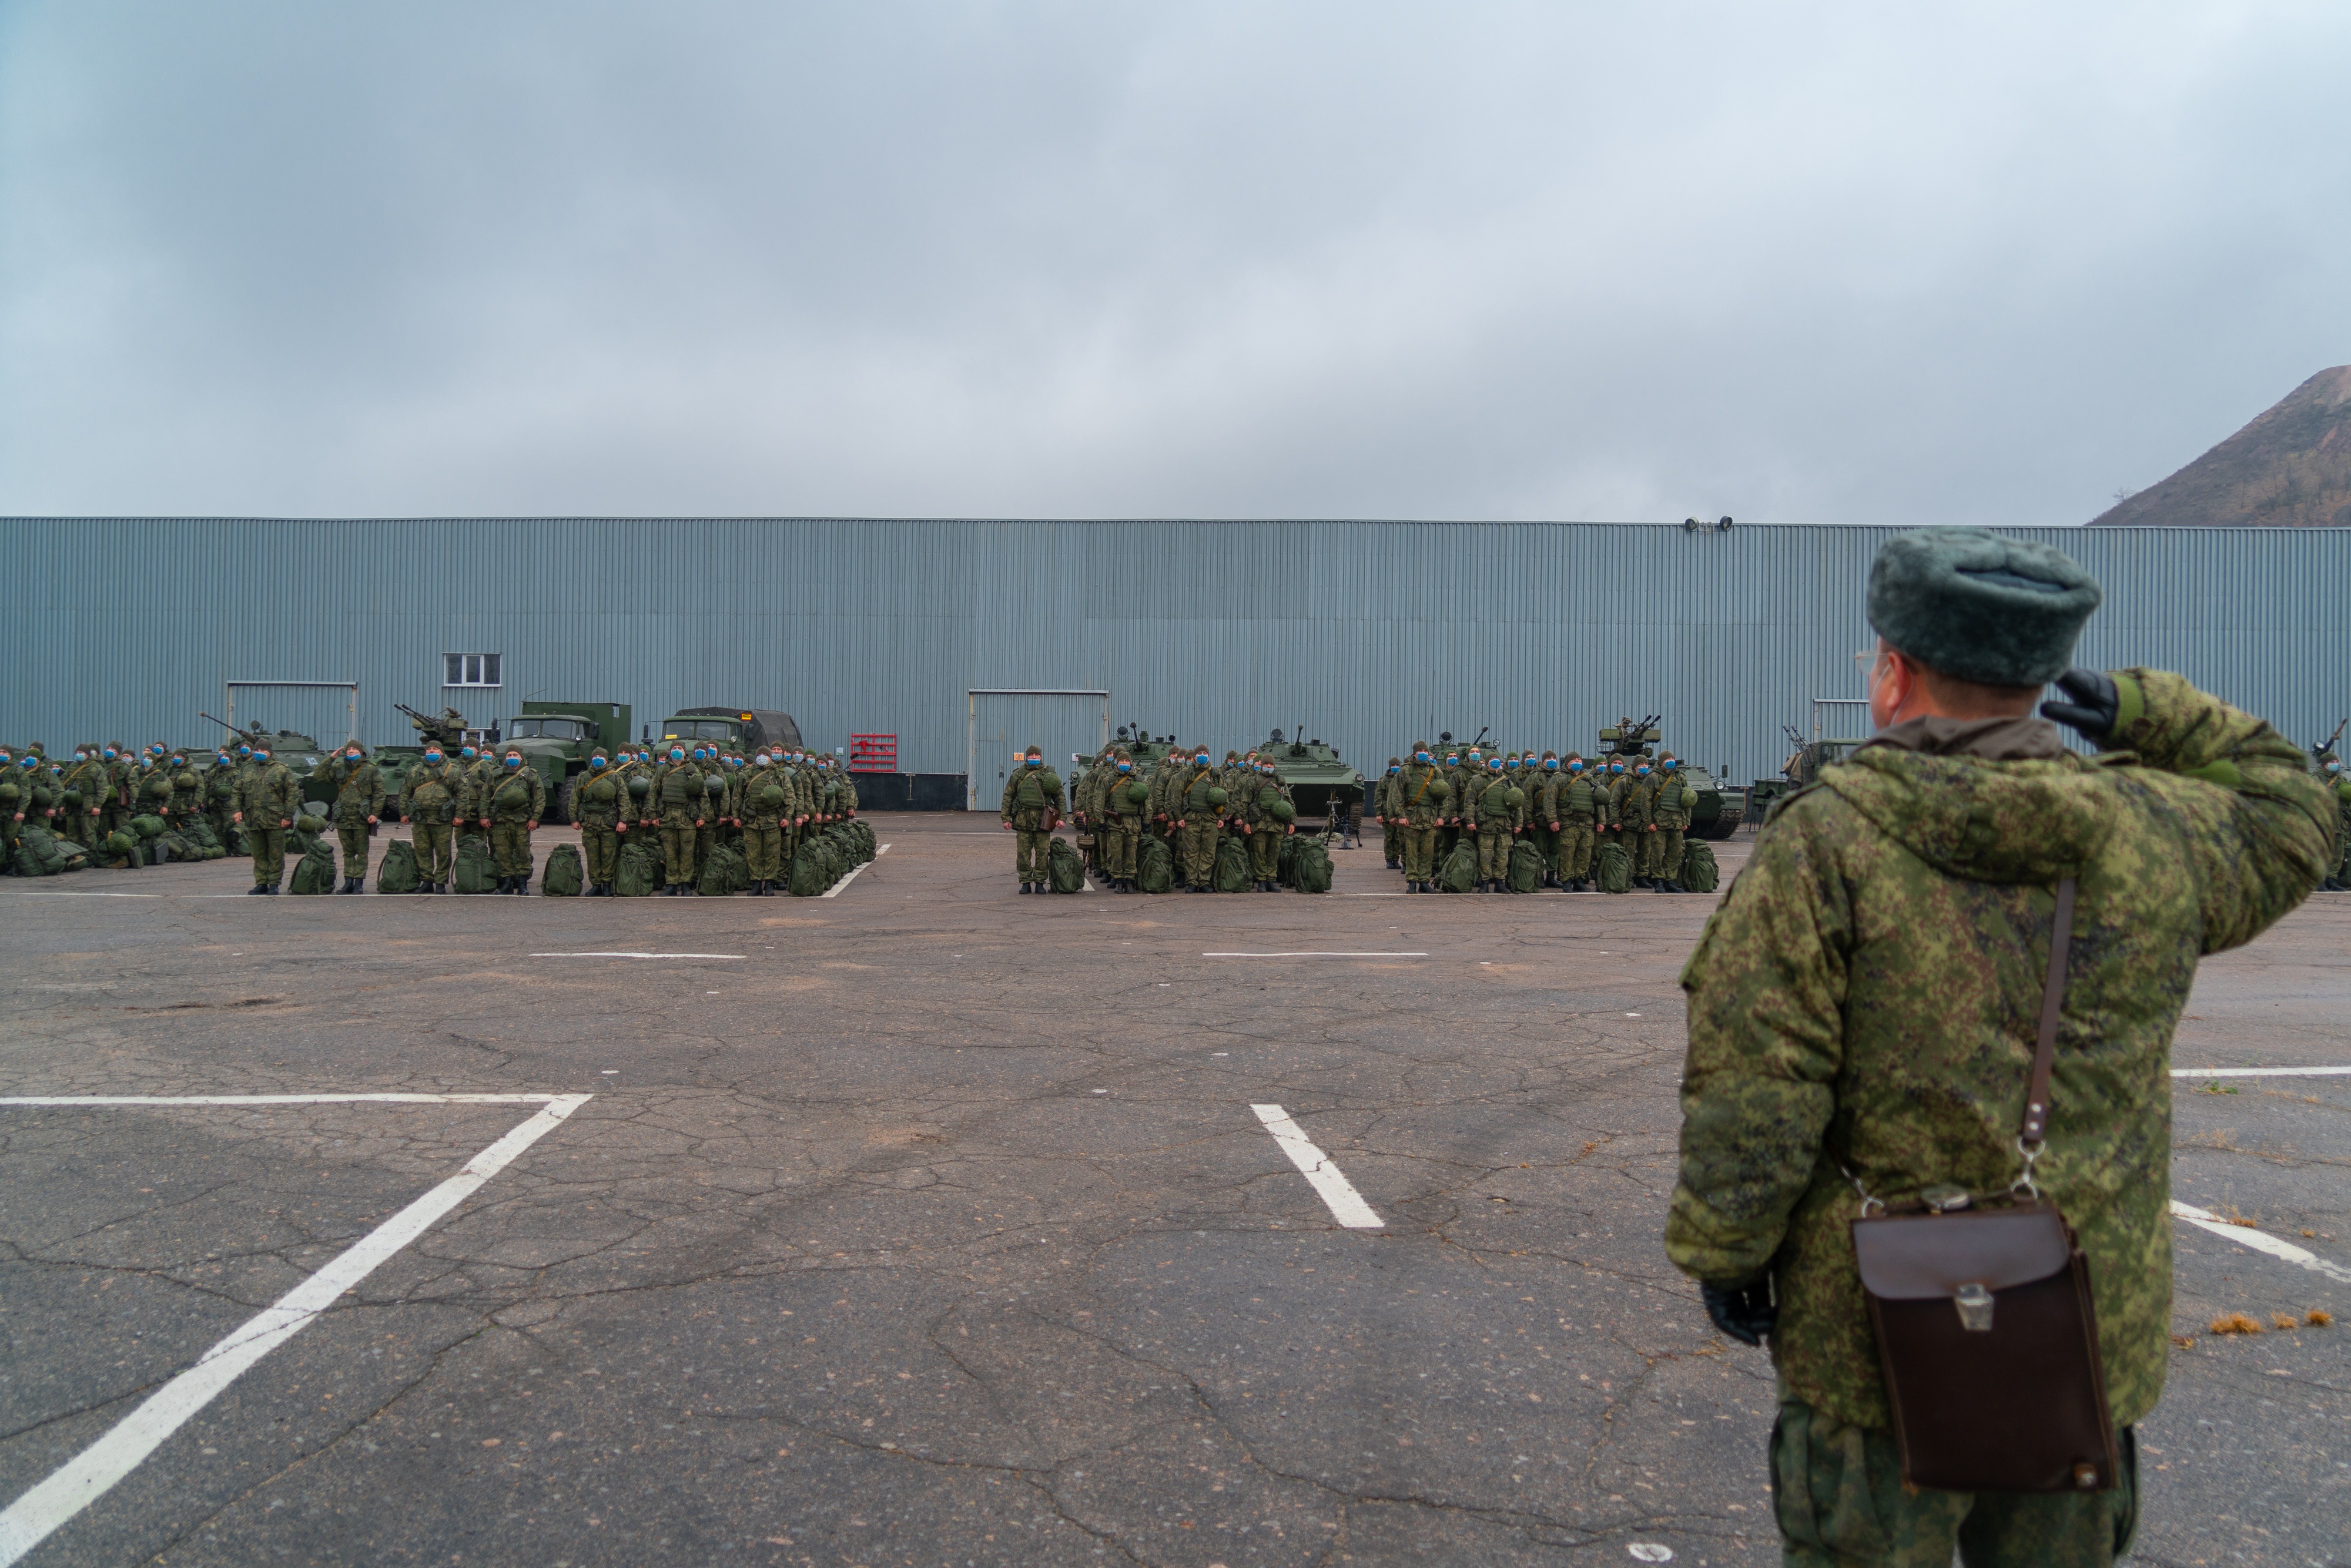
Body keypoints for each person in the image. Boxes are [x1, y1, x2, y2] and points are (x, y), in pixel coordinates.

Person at [1666, 528, 2334, 1568]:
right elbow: (2296, 808)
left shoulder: (1825, 840)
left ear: (1895, 672)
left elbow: (1758, 1084)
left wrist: (1729, 1252)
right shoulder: (2155, 831)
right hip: (2072, 1329)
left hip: (1871, 1331)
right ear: (2041, 677)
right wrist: (2153, 711)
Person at [997, 745, 1064, 892]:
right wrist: (1006, 818)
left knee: (1042, 854)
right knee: (1023, 853)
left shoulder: (1049, 775)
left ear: (1041, 757)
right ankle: (1025, 882)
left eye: (1037, 755)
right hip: (1023, 820)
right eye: (1031, 755)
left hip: (1044, 821)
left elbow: (1059, 796)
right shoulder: (1018, 775)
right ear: (1027, 757)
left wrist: (1063, 818)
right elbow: (1008, 796)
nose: (1034, 758)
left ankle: (1040, 883)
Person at [235, 745, 300, 893]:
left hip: (275, 818)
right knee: (258, 853)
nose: (259, 753)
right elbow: (237, 790)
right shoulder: (248, 768)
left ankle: (274, 883)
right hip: (253, 818)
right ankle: (261, 882)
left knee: (276, 853)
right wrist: (237, 810)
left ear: (270, 752)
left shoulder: (282, 769)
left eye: (263, 751)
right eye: (257, 750)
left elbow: (292, 795)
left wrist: (288, 816)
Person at [320, 741, 381, 893]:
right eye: (349, 749)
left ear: (361, 752)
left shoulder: (370, 769)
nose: (351, 751)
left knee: (361, 852)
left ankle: (359, 883)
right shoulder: (339, 768)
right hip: (343, 817)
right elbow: (319, 775)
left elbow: (379, 793)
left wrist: (375, 813)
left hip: (362, 817)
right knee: (347, 852)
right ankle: (348, 882)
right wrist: (331, 758)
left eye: (354, 749)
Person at [1392, 743, 1451, 892]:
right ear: (1414, 754)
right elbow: (1397, 795)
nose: (1423, 753)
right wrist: (1401, 816)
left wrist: (1441, 816)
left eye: (1425, 751)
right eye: (1420, 751)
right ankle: (1412, 881)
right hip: (1411, 817)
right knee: (1411, 851)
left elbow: (1443, 797)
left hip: (1430, 817)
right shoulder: (1405, 771)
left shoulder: (1436, 772)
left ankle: (1424, 881)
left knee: (1428, 851)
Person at [401, 743, 460, 892]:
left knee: (443, 852)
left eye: (435, 749)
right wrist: (403, 813)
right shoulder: (415, 770)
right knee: (422, 851)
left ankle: (440, 882)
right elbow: (405, 792)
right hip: (421, 818)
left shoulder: (452, 770)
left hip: (442, 819)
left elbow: (462, 793)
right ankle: (426, 881)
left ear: (442, 752)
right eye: (429, 749)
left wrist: (460, 815)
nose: (432, 751)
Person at [574, 748, 625, 895]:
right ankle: (596, 884)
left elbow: (623, 800)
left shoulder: (615, 777)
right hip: (589, 823)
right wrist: (574, 819)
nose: (597, 758)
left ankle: (607, 884)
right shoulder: (584, 777)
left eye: (600, 756)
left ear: (606, 760)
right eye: (595, 756)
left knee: (608, 855)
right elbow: (575, 799)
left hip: (608, 824)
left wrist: (623, 821)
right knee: (592, 856)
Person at [1097, 750, 1144, 891]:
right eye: (1122, 761)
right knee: (1116, 854)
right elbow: (1100, 801)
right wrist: (1101, 821)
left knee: (1131, 853)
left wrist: (1147, 822)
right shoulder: (1109, 779)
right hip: (1115, 823)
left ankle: (1129, 880)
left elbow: (1147, 802)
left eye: (1127, 762)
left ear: (1131, 764)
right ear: (1117, 763)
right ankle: (1117, 880)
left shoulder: (1138, 780)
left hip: (1133, 823)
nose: (1124, 764)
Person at [1647, 752, 1693, 893]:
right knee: (1657, 853)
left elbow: (1687, 800)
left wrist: (1687, 820)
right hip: (1659, 822)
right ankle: (1658, 880)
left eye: (1673, 759)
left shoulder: (1680, 777)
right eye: (1668, 759)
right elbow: (1646, 801)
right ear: (1661, 762)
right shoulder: (1653, 778)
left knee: (1675, 852)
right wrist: (1649, 822)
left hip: (1677, 822)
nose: (1671, 761)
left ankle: (1671, 880)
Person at [2325, 753, 2350, 891]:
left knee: (2338, 853)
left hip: (2339, 823)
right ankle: (2320, 881)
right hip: (2324, 821)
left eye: (2336, 761)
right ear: (2325, 764)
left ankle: (2332, 880)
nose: (2335, 764)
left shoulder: (2341, 779)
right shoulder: (2316, 778)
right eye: (2332, 762)